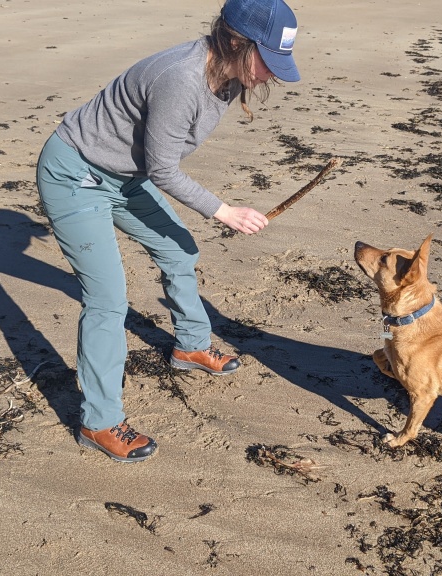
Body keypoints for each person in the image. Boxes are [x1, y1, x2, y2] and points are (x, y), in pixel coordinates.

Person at [35, 0, 300, 463]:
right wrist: (226, 211)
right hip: (76, 175)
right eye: (268, 62)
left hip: (124, 177)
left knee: (179, 250)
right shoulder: (181, 77)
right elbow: (163, 169)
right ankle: (98, 422)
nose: (271, 75)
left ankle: (191, 348)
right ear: (238, 44)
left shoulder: (227, 75)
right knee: (107, 299)